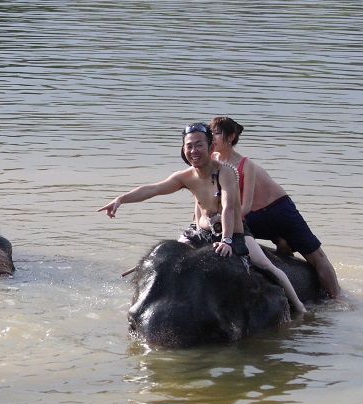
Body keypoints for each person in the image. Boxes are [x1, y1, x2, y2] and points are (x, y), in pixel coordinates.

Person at [98, 122, 307, 316]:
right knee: (163, 262)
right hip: (201, 234)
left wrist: (226, 239)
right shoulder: (185, 176)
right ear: (183, 149)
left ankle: (299, 307)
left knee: (267, 266)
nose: (193, 151)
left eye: (199, 145)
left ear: (210, 147)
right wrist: (121, 199)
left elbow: (227, 206)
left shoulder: (225, 172)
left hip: (233, 233)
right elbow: (153, 189)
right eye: (189, 146)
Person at [210, 116, 341, 298]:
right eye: (210, 134)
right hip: (253, 217)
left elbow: (244, 206)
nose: (212, 138)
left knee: (317, 257)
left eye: (216, 134)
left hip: (278, 210)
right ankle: (281, 241)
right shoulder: (212, 160)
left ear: (231, 137)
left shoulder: (245, 164)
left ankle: (338, 299)